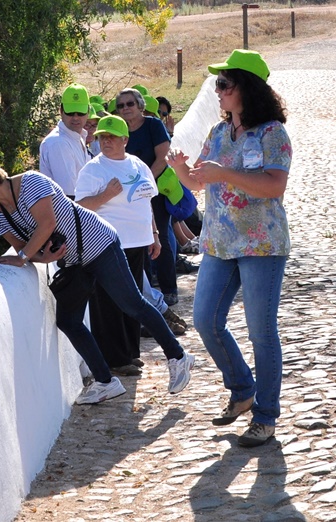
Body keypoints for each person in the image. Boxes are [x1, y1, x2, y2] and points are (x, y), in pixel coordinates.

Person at [0, 152, 195, 403]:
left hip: (99, 244)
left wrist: (25, 256)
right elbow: (22, 246)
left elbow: (46, 224)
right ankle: (105, 381)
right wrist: (38, 258)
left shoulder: (31, 182)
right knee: (68, 321)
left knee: (132, 304)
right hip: (74, 261)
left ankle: (178, 357)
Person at [167, 49, 292, 447]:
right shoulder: (219, 134)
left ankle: (265, 416)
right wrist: (181, 170)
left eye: (224, 84)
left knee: (261, 331)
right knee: (205, 320)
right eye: (217, 84)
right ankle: (242, 389)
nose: (217, 90)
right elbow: (201, 182)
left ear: (247, 88)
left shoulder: (273, 134)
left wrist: (227, 174)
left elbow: (274, 185)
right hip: (220, 244)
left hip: (261, 245)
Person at [75, 115, 188, 376]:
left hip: (138, 243)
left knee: (132, 301)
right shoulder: (93, 169)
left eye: (112, 137)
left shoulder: (138, 165)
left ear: (125, 139)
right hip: (107, 245)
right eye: (103, 137)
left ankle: (129, 353)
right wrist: (105, 196)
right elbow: (79, 207)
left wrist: (155, 234)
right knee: (110, 304)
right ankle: (114, 358)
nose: (107, 141)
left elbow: (145, 200)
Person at [116, 87, 181, 306]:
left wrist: (145, 183)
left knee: (160, 236)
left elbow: (162, 157)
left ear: (140, 105)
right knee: (137, 242)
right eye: (121, 105)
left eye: (130, 104)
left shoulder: (153, 125)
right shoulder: (118, 131)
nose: (125, 108)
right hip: (128, 196)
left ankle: (169, 288)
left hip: (154, 190)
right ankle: (146, 292)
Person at [39, 83, 91, 199]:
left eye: (80, 113)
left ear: (88, 111)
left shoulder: (77, 138)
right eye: (71, 113)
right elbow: (70, 194)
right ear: (61, 111)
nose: (76, 117)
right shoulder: (59, 143)